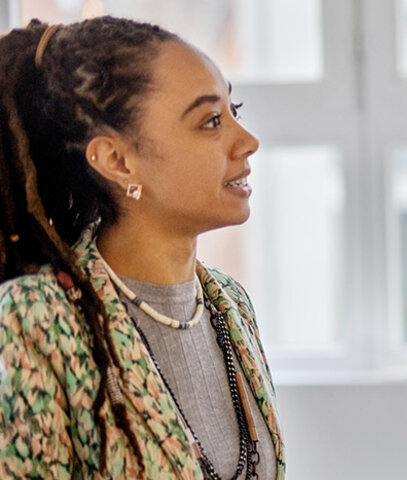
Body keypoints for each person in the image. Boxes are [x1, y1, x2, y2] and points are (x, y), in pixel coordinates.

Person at [0, 17, 283, 479]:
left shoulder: (231, 306)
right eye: (211, 121)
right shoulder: (37, 321)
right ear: (117, 161)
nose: (247, 141)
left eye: (236, 110)